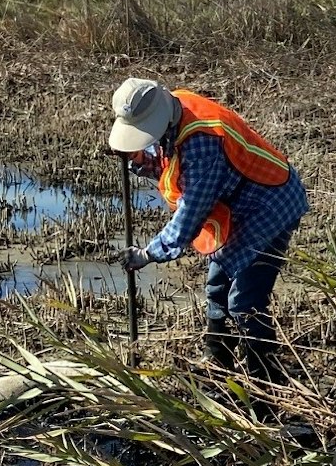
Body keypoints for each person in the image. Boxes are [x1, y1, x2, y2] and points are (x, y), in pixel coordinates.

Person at [106, 77, 308, 380]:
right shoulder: (173, 108)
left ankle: (265, 380)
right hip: (237, 206)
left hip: (270, 206)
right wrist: (139, 159)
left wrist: (148, 254)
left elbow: (191, 214)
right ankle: (219, 360)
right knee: (216, 286)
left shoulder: (202, 141)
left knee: (244, 302)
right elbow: (171, 165)